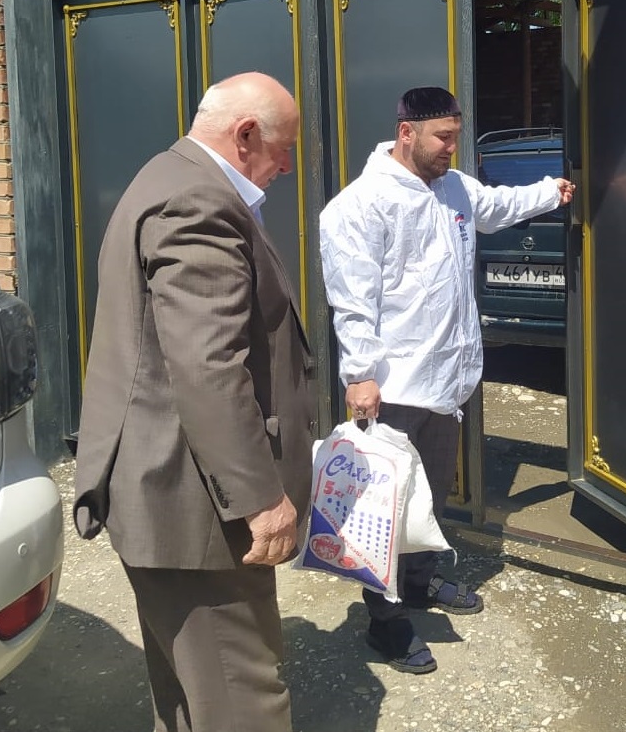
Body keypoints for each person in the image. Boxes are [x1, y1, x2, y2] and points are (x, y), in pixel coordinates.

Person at [73, 72, 315, 732]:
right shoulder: (198, 200)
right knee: (241, 704)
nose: (287, 166)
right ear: (246, 135)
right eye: (284, 149)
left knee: (190, 698)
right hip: (196, 511)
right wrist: (261, 498)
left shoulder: (168, 174)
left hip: (175, 498)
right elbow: (209, 367)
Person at [319, 87, 575, 675]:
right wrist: (360, 375)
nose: (451, 148)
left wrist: (550, 192)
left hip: (445, 383)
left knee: (429, 498)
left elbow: (497, 206)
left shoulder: (454, 188)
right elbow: (352, 300)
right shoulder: (362, 205)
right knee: (384, 511)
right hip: (393, 389)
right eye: (443, 137)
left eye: (456, 137)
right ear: (406, 132)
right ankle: (385, 623)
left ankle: (418, 583)